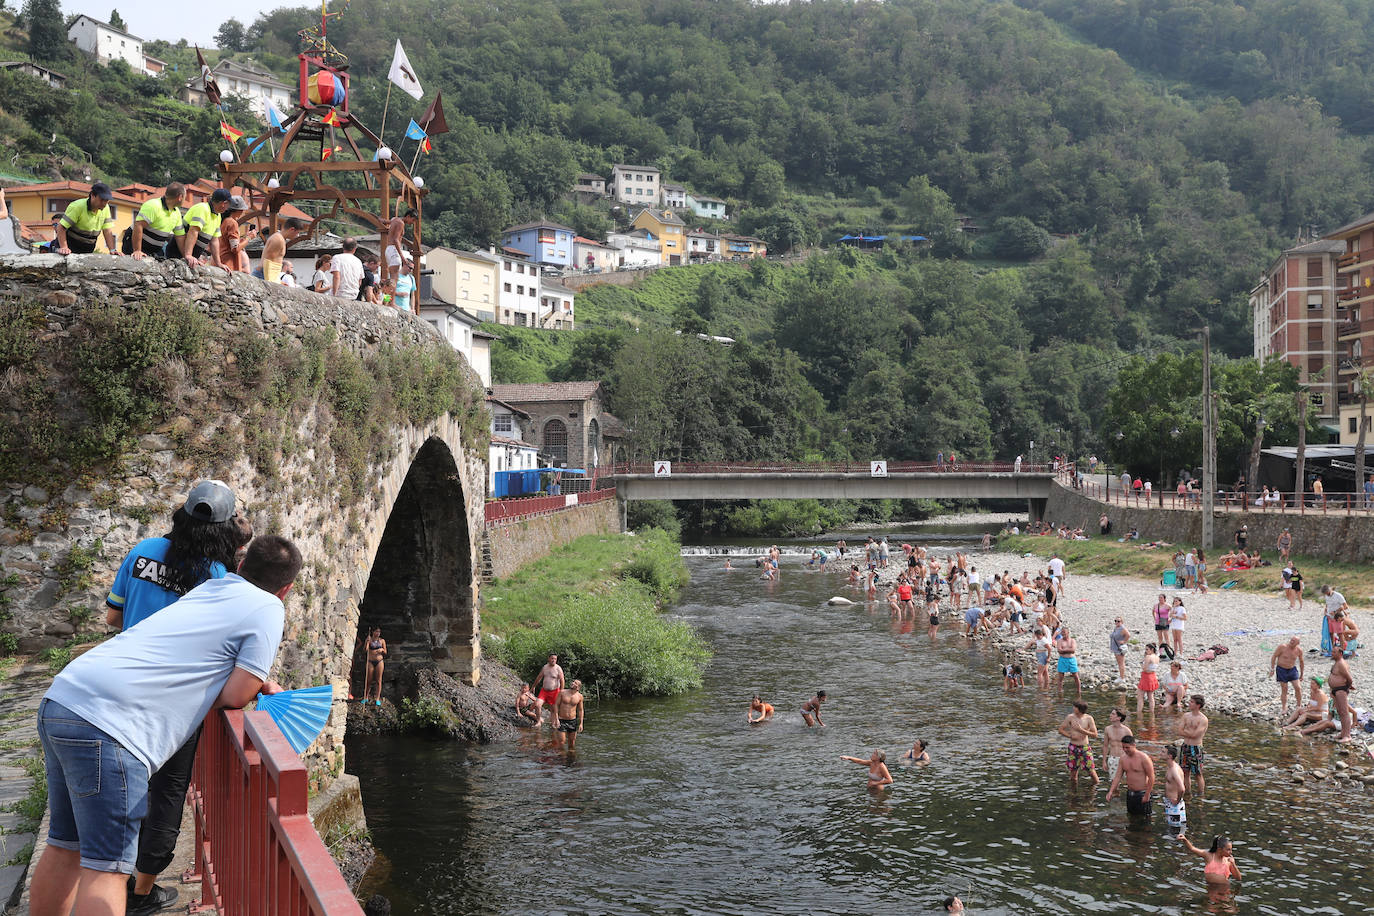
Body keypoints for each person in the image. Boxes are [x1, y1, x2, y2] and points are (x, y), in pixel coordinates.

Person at [30, 535, 297, 916]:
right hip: (112, 727)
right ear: (285, 589)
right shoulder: (269, 607)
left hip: (65, 696)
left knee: (64, 846)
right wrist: (257, 684)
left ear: (240, 567)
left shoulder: (212, 588)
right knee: (106, 869)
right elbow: (237, 695)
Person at [100, 481, 250, 914]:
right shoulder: (217, 578)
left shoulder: (143, 549)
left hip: (122, 689)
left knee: (124, 784)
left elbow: (113, 616)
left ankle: (112, 875)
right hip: (177, 704)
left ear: (182, 514)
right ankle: (143, 894)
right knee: (168, 793)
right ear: (224, 530)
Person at [176, 188, 233, 267]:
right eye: (228, 204)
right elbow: (193, 231)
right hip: (178, 253)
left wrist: (218, 263)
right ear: (224, 203)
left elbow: (214, 241)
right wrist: (188, 255)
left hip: (192, 258)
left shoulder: (218, 215)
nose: (228, 208)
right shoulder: (202, 208)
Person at [55, 182, 116, 255]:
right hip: (70, 246)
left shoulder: (106, 208)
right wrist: (64, 247)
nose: (104, 203)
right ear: (93, 195)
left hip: (87, 248)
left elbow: (107, 231)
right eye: (102, 199)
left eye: (107, 200)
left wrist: (112, 250)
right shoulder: (77, 207)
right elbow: (61, 227)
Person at [129, 183, 185, 260]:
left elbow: (180, 237)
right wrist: (137, 250)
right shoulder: (153, 205)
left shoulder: (177, 213)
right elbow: (139, 225)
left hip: (154, 249)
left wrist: (186, 256)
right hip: (135, 245)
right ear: (180, 197)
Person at [1105, 734, 1154, 817]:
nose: (1125, 750)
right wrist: (1111, 791)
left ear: (1134, 745)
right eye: (1123, 747)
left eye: (1127, 747)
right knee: (1131, 818)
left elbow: (1152, 777)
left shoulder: (1144, 758)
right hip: (1130, 793)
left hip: (1142, 793)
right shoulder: (1123, 759)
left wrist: (1147, 794)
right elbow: (1117, 777)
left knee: (1145, 819)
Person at [1057, 701, 1100, 784]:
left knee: (1091, 770)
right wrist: (1070, 736)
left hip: (1085, 747)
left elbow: (1095, 735)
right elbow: (1061, 730)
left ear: (1080, 709)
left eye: (1075, 707)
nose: (1073, 708)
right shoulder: (1070, 717)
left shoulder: (1088, 718)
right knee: (1073, 772)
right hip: (1073, 746)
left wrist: (1081, 730)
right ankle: (1073, 793)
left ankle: (1096, 788)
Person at [1176, 834, 1241, 886]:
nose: (1231, 852)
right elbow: (1192, 848)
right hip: (1210, 887)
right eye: (1228, 849)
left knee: (1222, 902)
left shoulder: (1229, 861)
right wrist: (1185, 839)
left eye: (1231, 849)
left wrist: (1233, 864)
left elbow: (1238, 878)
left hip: (1224, 888)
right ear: (1219, 849)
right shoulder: (1208, 855)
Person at [1178, 695, 1208, 793]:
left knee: (1198, 773)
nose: (1189, 703)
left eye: (1191, 702)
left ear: (1198, 705)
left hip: (1196, 748)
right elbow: (1179, 731)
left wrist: (1186, 732)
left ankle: (1200, 795)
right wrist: (1189, 734)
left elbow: (1195, 735)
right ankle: (1187, 794)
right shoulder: (1186, 716)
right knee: (1185, 772)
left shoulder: (1203, 719)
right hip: (1185, 746)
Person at [216, 195, 253, 272]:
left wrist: (242, 240)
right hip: (229, 265)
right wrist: (249, 238)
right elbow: (235, 248)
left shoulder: (223, 221)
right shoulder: (232, 223)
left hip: (221, 261)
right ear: (238, 210)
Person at [1269, 636, 1304, 714]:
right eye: (1291, 640)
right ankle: (1284, 707)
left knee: (1298, 687)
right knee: (1284, 688)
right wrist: (1272, 669)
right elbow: (1274, 656)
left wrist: (1302, 674)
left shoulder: (1298, 650)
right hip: (1281, 669)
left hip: (1292, 669)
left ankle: (1299, 706)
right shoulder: (1282, 647)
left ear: (1298, 643)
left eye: (1294, 641)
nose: (1291, 642)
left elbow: (1301, 662)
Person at [1327, 653, 1355, 741]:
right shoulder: (1337, 663)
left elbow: (1349, 678)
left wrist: (1347, 687)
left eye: (1334, 652)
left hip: (1341, 689)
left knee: (1344, 712)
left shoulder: (1341, 663)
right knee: (1340, 711)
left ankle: (1347, 735)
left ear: (1340, 653)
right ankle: (1343, 733)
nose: (1332, 653)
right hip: (1336, 689)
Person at [532, 653, 564, 727]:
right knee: (537, 705)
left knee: (553, 709)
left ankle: (553, 724)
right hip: (544, 691)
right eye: (552, 658)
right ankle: (538, 721)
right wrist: (533, 687)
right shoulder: (545, 667)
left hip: (555, 691)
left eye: (555, 659)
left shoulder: (558, 668)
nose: (553, 660)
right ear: (548, 659)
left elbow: (562, 680)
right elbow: (539, 677)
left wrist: (561, 691)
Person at [1102, 707, 1132, 786]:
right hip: (1113, 759)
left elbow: (1132, 747)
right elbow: (1105, 746)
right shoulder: (1107, 729)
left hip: (1124, 758)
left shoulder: (1127, 731)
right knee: (1114, 784)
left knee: (1128, 783)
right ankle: (1116, 797)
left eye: (1113, 714)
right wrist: (1104, 761)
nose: (1110, 715)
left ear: (1119, 718)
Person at [384, 209, 417, 281]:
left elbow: (385, 221)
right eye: (413, 220)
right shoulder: (401, 223)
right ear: (408, 216)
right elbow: (396, 239)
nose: (412, 222)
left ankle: (390, 291)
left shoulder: (395, 219)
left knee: (392, 277)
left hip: (389, 249)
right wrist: (403, 258)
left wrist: (378, 219)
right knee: (395, 278)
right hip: (394, 249)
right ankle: (392, 292)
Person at [553, 679, 585, 749]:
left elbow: (580, 710)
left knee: (572, 743)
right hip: (561, 720)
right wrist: (556, 719)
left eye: (575, 683)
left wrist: (581, 723)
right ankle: (562, 758)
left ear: (578, 687)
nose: (572, 683)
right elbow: (556, 705)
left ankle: (571, 758)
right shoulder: (562, 692)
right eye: (573, 681)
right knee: (562, 742)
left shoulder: (579, 696)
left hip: (572, 721)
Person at [362, 627, 387, 706]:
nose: (378, 633)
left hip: (379, 661)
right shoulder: (369, 639)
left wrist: (382, 650)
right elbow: (365, 650)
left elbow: (386, 652)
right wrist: (367, 642)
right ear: (373, 632)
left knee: (378, 680)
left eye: (379, 631)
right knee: (368, 680)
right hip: (370, 661)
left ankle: (377, 698)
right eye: (376, 631)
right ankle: (365, 697)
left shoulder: (382, 641)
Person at [1055, 626, 1082, 698]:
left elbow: (1073, 650)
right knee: (1060, 677)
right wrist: (1068, 649)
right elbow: (1059, 650)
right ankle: (1060, 692)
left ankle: (1079, 691)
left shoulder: (1072, 640)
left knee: (1076, 676)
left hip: (1071, 659)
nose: (1063, 633)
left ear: (1068, 633)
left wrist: (1064, 650)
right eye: (1062, 632)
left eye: (1064, 632)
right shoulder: (1059, 641)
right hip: (1062, 660)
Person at [1320, 585, 1347, 657]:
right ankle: (1332, 648)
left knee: (1340, 634)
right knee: (1331, 633)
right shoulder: (1326, 596)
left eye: (1328, 592)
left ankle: (1342, 649)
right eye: (1325, 593)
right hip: (1329, 617)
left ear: (1330, 590)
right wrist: (1325, 609)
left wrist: (1335, 612)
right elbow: (1327, 604)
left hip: (1337, 617)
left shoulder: (1338, 596)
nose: (1327, 594)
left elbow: (1345, 606)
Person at [1137, 643, 1160, 714]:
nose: (1146, 651)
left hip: (1146, 676)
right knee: (1150, 696)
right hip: (1153, 676)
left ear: (1152, 649)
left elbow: (1144, 668)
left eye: (1147, 649)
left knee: (1140, 695)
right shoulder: (1157, 657)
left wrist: (1141, 664)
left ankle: (1139, 712)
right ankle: (1151, 711)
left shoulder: (1148, 657)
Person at [1109, 616, 1131, 684]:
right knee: (1119, 663)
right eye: (1115, 621)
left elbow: (1128, 635)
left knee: (1121, 663)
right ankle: (1121, 676)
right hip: (1115, 647)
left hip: (1119, 648)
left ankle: (1122, 677)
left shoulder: (1122, 628)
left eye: (1118, 621)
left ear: (1122, 622)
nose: (1116, 622)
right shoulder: (1116, 628)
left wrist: (1124, 641)